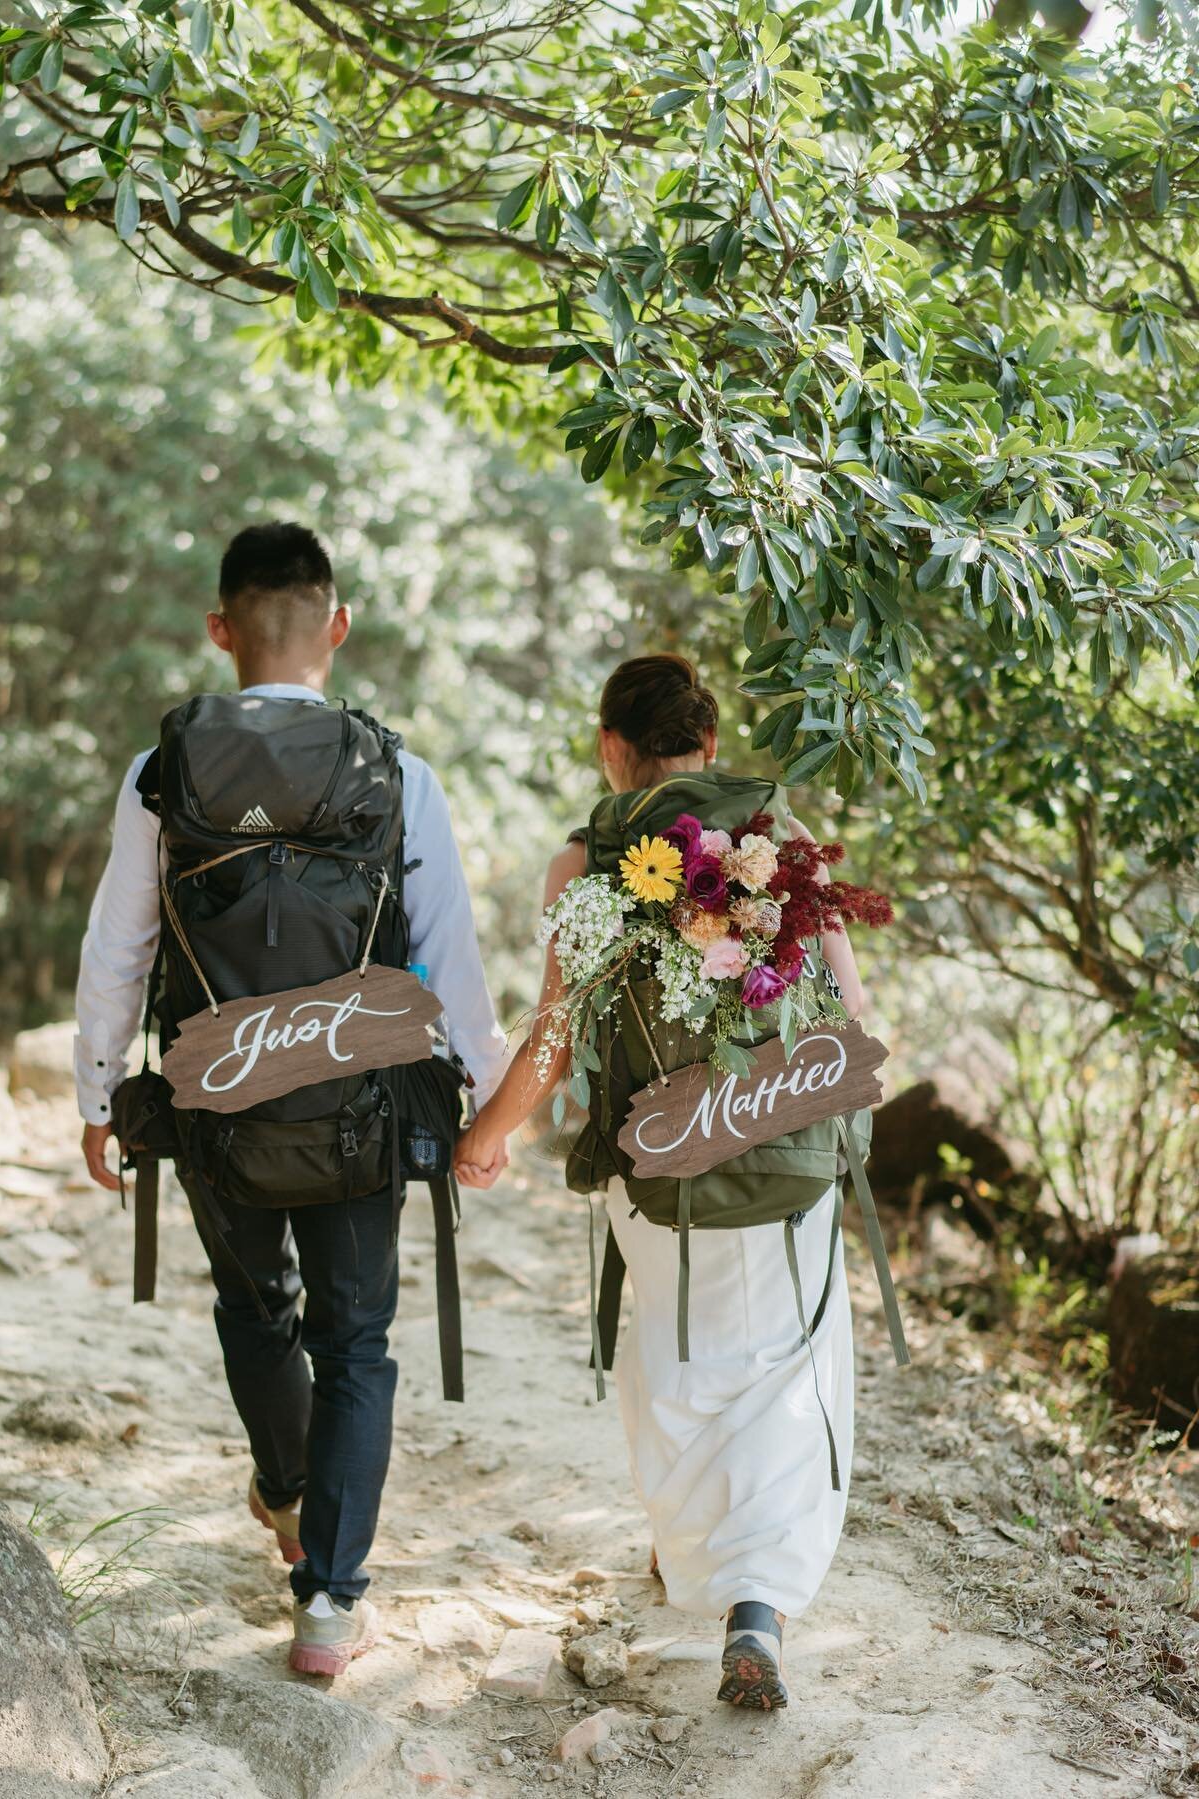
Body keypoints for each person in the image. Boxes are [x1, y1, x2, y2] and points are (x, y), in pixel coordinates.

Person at [75, 522, 507, 1676]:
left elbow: (119, 945)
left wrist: (98, 1090)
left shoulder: (163, 771)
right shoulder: (397, 773)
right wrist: (489, 1097)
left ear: (221, 628)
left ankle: (285, 1484)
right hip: (363, 1103)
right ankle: (328, 1600)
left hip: (215, 1100)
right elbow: (451, 956)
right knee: (354, 1338)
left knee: (254, 1307)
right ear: (339, 624)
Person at [454, 652, 866, 1712]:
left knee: (680, 1357)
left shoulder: (586, 860)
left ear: (611, 747)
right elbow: (852, 1013)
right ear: (710, 742)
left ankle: (689, 1548)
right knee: (786, 1369)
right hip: (786, 1154)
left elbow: (556, 1037)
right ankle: (757, 1608)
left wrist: (487, 1134)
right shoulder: (778, 835)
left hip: (657, 1168)